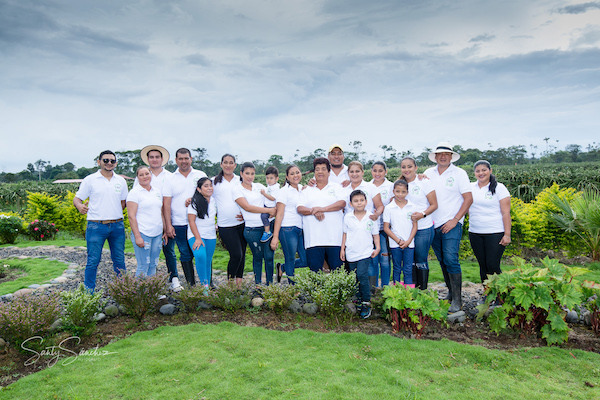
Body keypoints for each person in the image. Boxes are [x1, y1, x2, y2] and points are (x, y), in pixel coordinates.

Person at [424, 142, 473, 312]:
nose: (443, 156)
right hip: (433, 224)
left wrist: (455, 219)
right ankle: (451, 293)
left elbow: (468, 199)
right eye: (440, 154)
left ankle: (458, 300)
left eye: (446, 154)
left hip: (452, 223)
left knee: (451, 259)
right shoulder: (428, 173)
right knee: (442, 260)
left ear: (451, 156)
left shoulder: (459, 173)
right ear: (435, 156)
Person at [73, 150, 128, 292]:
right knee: (93, 261)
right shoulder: (90, 180)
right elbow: (77, 198)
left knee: (119, 260)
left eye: (112, 161)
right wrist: (79, 206)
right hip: (96, 226)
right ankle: (89, 293)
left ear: (116, 163)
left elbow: (123, 202)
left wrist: (112, 213)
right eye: (106, 160)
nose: (109, 163)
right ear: (99, 162)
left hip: (117, 226)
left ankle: (123, 292)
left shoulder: (121, 181)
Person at [135, 145, 180, 287]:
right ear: (147, 159)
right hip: (147, 222)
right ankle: (146, 286)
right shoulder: (143, 176)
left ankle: (173, 278)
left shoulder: (170, 176)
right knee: (148, 257)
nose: (154, 160)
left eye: (157, 157)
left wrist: (167, 225)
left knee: (169, 250)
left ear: (162, 159)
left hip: (167, 219)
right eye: (151, 157)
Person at [162, 148, 207, 287]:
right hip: (179, 223)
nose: (184, 161)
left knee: (202, 253)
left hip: (199, 223)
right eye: (180, 159)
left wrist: (194, 199)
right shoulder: (170, 178)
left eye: (186, 158)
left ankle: (208, 283)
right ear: (176, 160)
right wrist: (168, 225)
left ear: (191, 159)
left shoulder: (200, 175)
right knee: (185, 254)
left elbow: (208, 194)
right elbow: (166, 204)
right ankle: (191, 286)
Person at [297, 157, 346, 272]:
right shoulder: (306, 190)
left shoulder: (337, 187)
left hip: (334, 239)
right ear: (314, 172)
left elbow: (342, 203)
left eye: (323, 169)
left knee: (337, 272)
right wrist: (313, 211)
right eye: (317, 169)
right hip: (313, 240)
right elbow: (300, 208)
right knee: (315, 273)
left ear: (329, 172)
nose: (320, 172)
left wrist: (322, 209)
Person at [468, 160, 512, 283]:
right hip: (475, 232)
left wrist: (507, 234)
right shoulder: (470, 187)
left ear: (490, 171)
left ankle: (500, 291)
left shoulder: (500, 188)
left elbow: (506, 213)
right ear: (474, 173)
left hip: (495, 232)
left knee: (492, 265)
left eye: (484, 170)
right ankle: (487, 291)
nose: (481, 173)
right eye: (477, 171)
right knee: (483, 265)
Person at [234, 162, 277, 285]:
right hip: (252, 229)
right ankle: (258, 285)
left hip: (267, 226)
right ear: (241, 174)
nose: (250, 176)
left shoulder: (259, 186)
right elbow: (247, 207)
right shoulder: (237, 190)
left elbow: (272, 199)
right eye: (247, 173)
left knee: (269, 257)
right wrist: (268, 211)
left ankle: (270, 285)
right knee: (257, 257)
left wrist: (273, 210)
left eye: (252, 173)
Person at [341, 190, 380, 319]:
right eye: (356, 201)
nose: (359, 203)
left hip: (365, 252)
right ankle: (358, 299)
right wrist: (342, 249)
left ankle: (366, 302)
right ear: (351, 204)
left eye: (361, 200)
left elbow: (375, 234)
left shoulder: (371, 217)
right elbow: (345, 234)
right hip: (351, 252)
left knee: (362, 275)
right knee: (355, 278)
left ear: (366, 202)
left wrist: (378, 247)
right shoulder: (347, 217)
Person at [400, 157, 438, 290]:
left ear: (416, 168)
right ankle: (411, 290)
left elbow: (434, 205)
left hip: (423, 228)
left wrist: (423, 214)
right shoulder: (400, 184)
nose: (406, 169)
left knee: (421, 259)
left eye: (409, 166)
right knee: (409, 260)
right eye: (403, 167)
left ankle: (422, 291)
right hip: (406, 230)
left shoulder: (424, 182)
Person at [212, 154, 246, 283]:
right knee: (236, 254)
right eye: (225, 162)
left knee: (242, 254)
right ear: (221, 164)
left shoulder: (241, 180)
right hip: (225, 225)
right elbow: (205, 196)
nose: (228, 165)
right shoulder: (214, 182)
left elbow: (251, 196)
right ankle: (230, 284)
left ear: (235, 165)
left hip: (242, 223)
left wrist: (246, 214)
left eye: (231, 162)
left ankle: (239, 284)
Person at [270, 165, 307, 284]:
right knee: (290, 258)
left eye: (297, 172)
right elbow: (279, 214)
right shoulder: (283, 191)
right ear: (287, 177)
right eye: (292, 173)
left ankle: (282, 267)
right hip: (287, 229)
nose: (295, 175)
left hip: (301, 229)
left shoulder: (303, 189)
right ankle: (292, 287)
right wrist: (275, 236)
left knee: (306, 260)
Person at [126, 166, 165, 277]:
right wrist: (137, 236)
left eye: (147, 174)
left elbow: (160, 212)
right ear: (137, 177)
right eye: (141, 175)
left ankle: (152, 288)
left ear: (151, 175)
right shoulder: (134, 193)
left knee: (153, 264)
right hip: (143, 233)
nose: (145, 177)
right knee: (143, 265)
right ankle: (140, 288)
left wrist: (164, 231)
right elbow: (131, 216)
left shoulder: (157, 191)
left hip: (157, 234)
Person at [383, 180, 418, 286]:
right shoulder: (389, 208)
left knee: (408, 269)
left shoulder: (412, 206)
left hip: (409, 244)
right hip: (395, 244)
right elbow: (386, 228)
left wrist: (408, 241)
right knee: (397, 268)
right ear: (393, 191)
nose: (400, 194)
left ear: (407, 192)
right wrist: (398, 241)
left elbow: (415, 226)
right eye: (397, 191)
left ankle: (408, 292)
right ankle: (397, 291)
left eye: (403, 192)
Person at [187, 177, 217, 289]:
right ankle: (204, 287)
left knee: (208, 261)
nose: (209, 188)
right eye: (206, 186)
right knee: (200, 256)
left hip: (211, 235)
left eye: (210, 185)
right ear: (199, 189)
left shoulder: (214, 201)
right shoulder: (194, 202)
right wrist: (198, 238)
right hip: (195, 235)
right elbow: (191, 221)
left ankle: (207, 287)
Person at [369, 161, 394, 289]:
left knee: (384, 259)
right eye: (375, 170)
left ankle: (385, 287)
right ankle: (373, 287)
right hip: (371, 229)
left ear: (386, 172)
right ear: (371, 171)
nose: (377, 173)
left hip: (385, 228)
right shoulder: (367, 186)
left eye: (380, 171)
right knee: (373, 258)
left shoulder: (390, 186)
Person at [259, 166, 281, 243]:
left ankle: (267, 232)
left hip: (271, 207)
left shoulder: (275, 188)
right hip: (267, 206)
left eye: (271, 178)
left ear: (276, 179)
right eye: (267, 178)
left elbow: (273, 198)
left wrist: (264, 194)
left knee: (263, 216)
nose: (268, 180)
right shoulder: (270, 186)